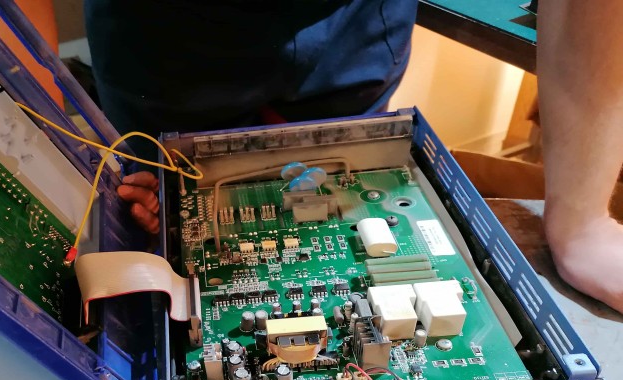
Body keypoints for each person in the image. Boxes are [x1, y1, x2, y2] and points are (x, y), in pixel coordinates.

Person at [84, 0, 623, 314]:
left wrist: (582, 223)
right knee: (167, 212)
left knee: (339, 190)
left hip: (355, 27)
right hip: (159, 41)